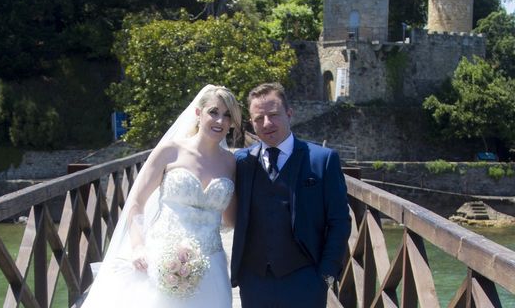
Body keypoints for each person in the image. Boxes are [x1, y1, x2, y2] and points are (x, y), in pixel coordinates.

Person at [82, 85, 241, 308]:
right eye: (213, 112)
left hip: (211, 264)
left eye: (227, 116)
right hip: (163, 259)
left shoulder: (231, 163)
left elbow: (231, 220)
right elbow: (136, 201)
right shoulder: (170, 151)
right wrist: (138, 247)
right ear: (198, 113)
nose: (220, 121)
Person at [230, 82, 351, 308]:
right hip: (254, 280)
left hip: (306, 279)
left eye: (274, 115)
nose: (267, 123)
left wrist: (327, 274)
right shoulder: (241, 162)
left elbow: (340, 221)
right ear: (251, 123)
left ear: (289, 113)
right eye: (258, 118)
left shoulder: (322, 159)